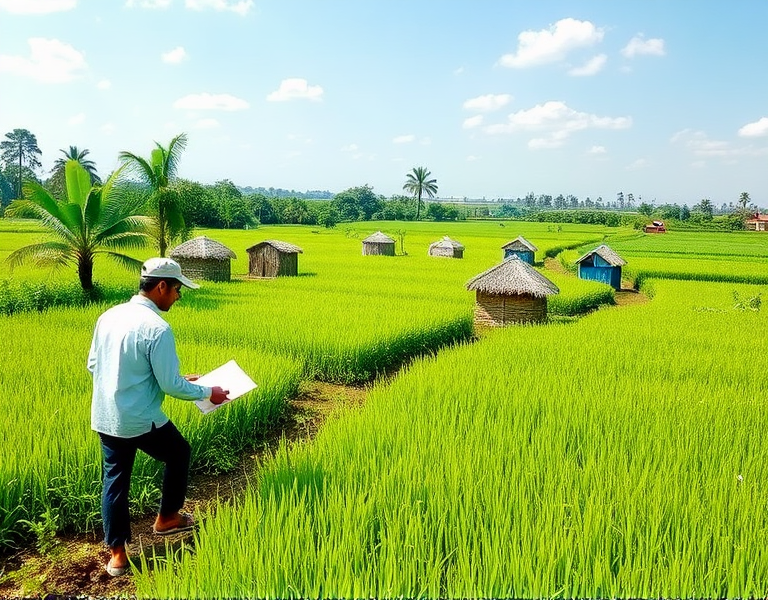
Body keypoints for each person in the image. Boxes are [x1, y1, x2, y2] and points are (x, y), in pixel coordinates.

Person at [87, 257, 229, 577]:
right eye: (177, 289)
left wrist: (180, 380)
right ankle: (167, 519)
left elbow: (95, 365)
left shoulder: (108, 316)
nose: (179, 295)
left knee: (115, 481)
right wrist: (210, 392)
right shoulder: (157, 328)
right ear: (161, 286)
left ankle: (118, 556)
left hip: (107, 416)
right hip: (141, 419)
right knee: (179, 452)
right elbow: (170, 386)